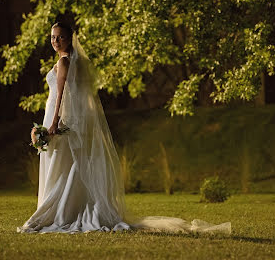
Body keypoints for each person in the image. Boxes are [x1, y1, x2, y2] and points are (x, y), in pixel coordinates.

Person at [18, 22, 231, 234]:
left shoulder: (65, 62)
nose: (55, 41)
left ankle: (63, 212)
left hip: (60, 119)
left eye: (60, 37)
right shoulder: (74, 62)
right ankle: (69, 209)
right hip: (64, 118)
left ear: (69, 39)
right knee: (66, 166)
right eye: (53, 37)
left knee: (63, 166)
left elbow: (64, 94)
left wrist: (55, 122)